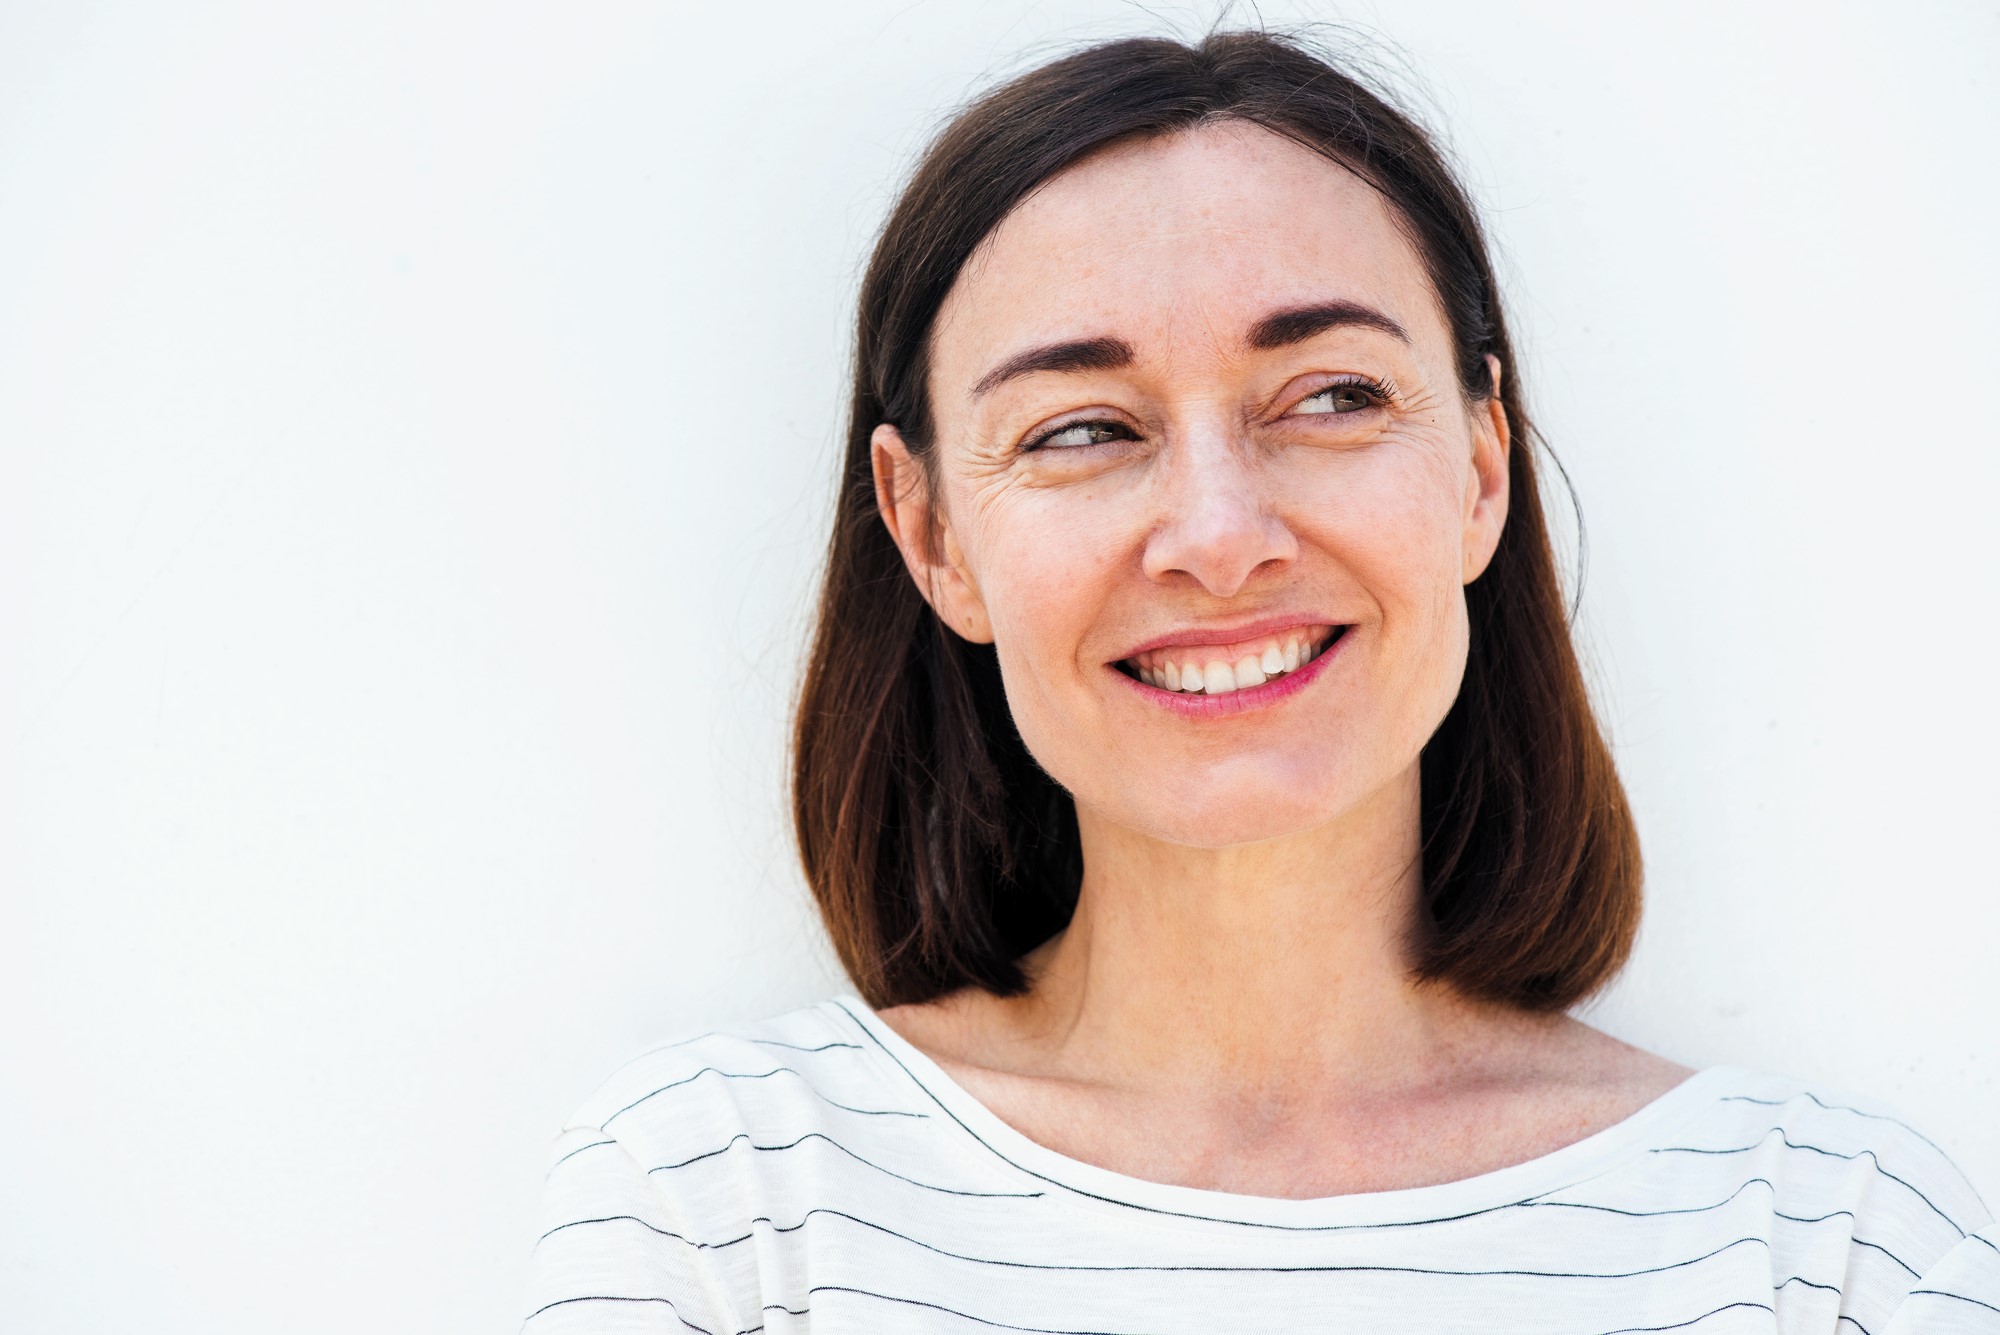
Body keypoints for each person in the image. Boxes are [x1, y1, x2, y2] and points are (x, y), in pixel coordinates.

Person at [521, 29, 1996, 1333]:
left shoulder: (1827, 1249)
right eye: (1081, 429)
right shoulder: (723, 1213)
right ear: (929, 535)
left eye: (1335, 396)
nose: (1221, 538)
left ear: (1482, 469)